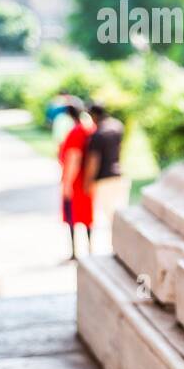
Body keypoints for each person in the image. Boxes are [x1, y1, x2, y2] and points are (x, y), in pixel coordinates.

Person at [84, 103, 129, 247]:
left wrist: (87, 182)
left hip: (104, 180)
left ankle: (118, 247)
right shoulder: (117, 126)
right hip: (119, 175)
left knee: (110, 217)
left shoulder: (98, 134)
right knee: (119, 214)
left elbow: (93, 161)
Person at [56, 98, 95, 260]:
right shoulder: (88, 129)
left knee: (74, 216)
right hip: (85, 179)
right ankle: (89, 249)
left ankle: (76, 252)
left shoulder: (76, 132)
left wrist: (67, 183)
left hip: (76, 181)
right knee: (85, 217)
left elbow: (74, 157)